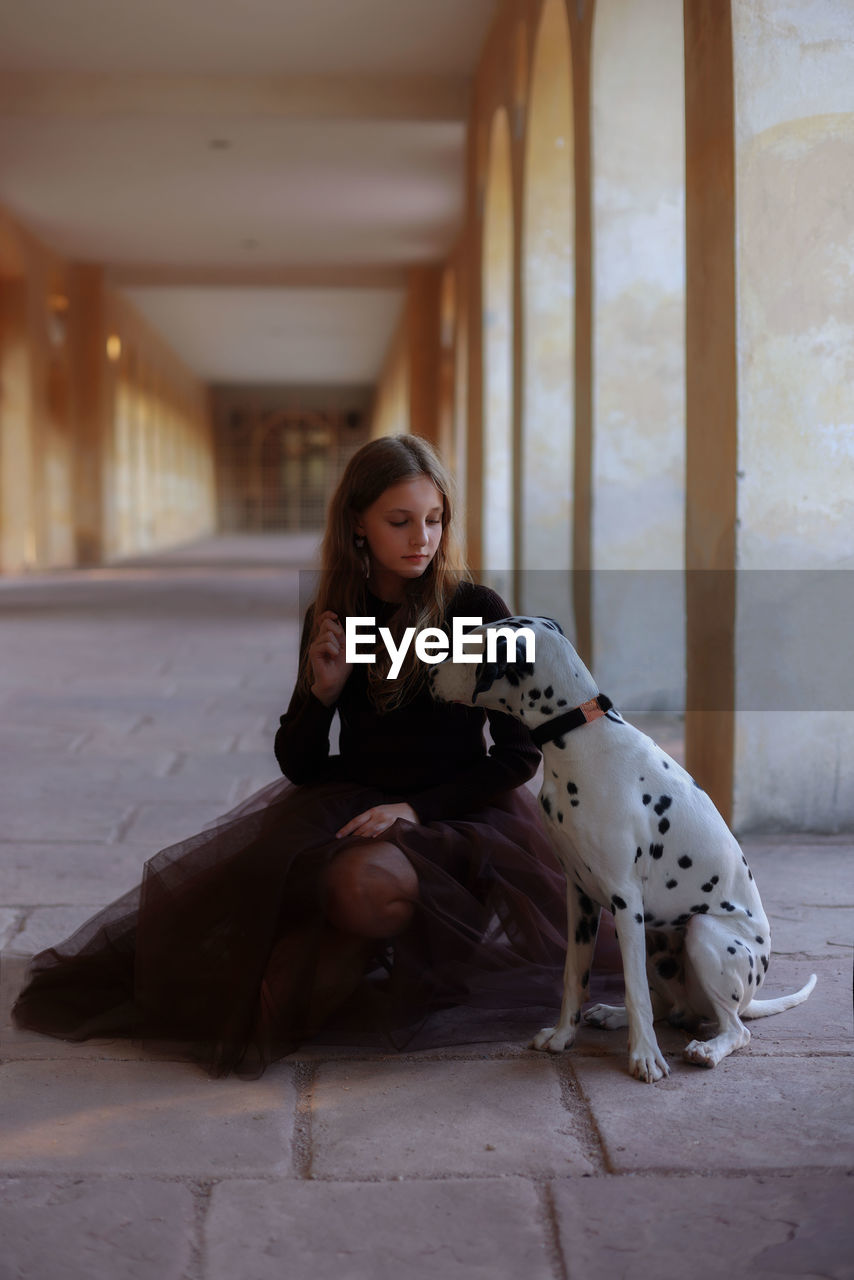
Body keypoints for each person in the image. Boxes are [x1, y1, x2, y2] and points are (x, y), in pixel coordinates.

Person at [12, 435, 569, 1077]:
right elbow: (301, 764)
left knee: (364, 890)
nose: (423, 538)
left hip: (457, 820)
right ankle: (304, 986)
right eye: (400, 521)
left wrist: (415, 809)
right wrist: (322, 694)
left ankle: (353, 966)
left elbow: (519, 754)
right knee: (331, 901)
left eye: (435, 519)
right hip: (353, 808)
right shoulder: (337, 614)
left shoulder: (474, 611)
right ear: (358, 523)